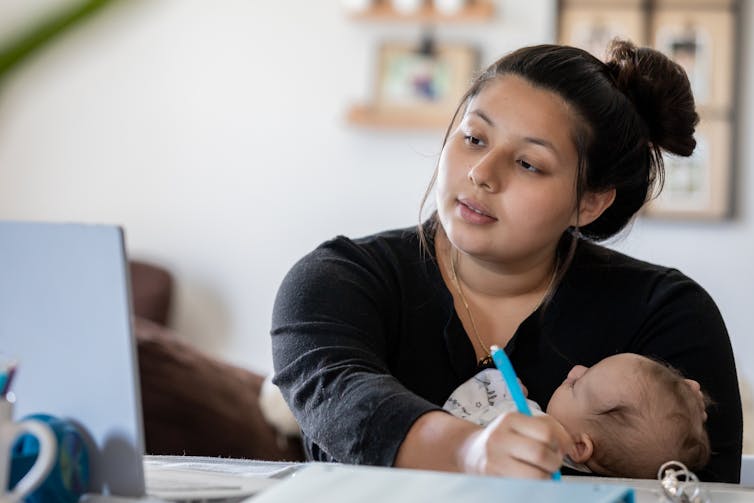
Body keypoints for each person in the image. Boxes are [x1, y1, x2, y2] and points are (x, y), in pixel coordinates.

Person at [270, 39, 742, 482]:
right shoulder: (337, 281)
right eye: (474, 138)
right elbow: (344, 400)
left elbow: (701, 490)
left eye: (528, 164)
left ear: (590, 202)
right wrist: (468, 452)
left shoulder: (668, 315)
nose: (481, 173)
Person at [444, 353, 710, 479]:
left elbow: (455, 414)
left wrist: (498, 387)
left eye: (576, 386)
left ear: (579, 446)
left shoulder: (527, 427)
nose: (575, 369)